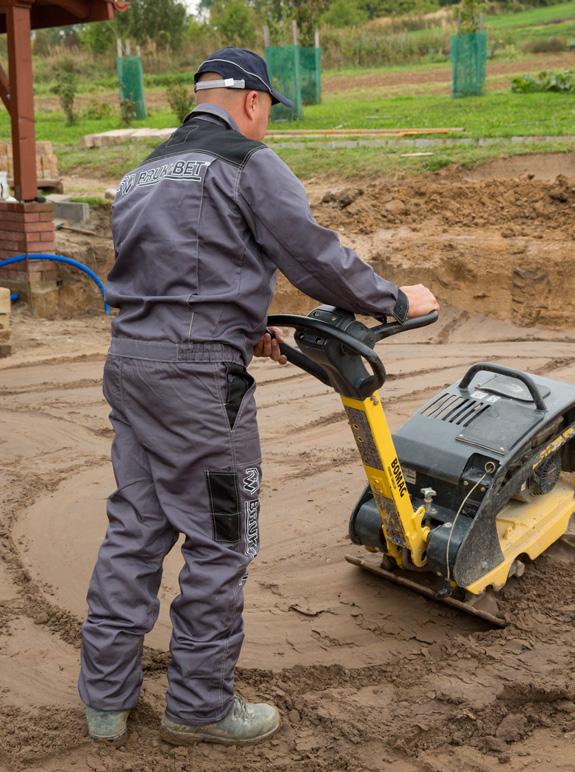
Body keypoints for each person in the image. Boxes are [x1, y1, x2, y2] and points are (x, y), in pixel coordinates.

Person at [79, 47, 439, 748]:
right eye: (269, 109)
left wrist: (246, 330)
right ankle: (200, 707)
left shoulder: (141, 173)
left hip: (134, 368)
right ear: (250, 101)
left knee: (136, 528)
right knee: (222, 536)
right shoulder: (248, 163)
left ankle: (105, 701)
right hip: (199, 390)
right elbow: (309, 252)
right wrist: (393, 300)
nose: (268, 123)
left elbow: (170, 279)